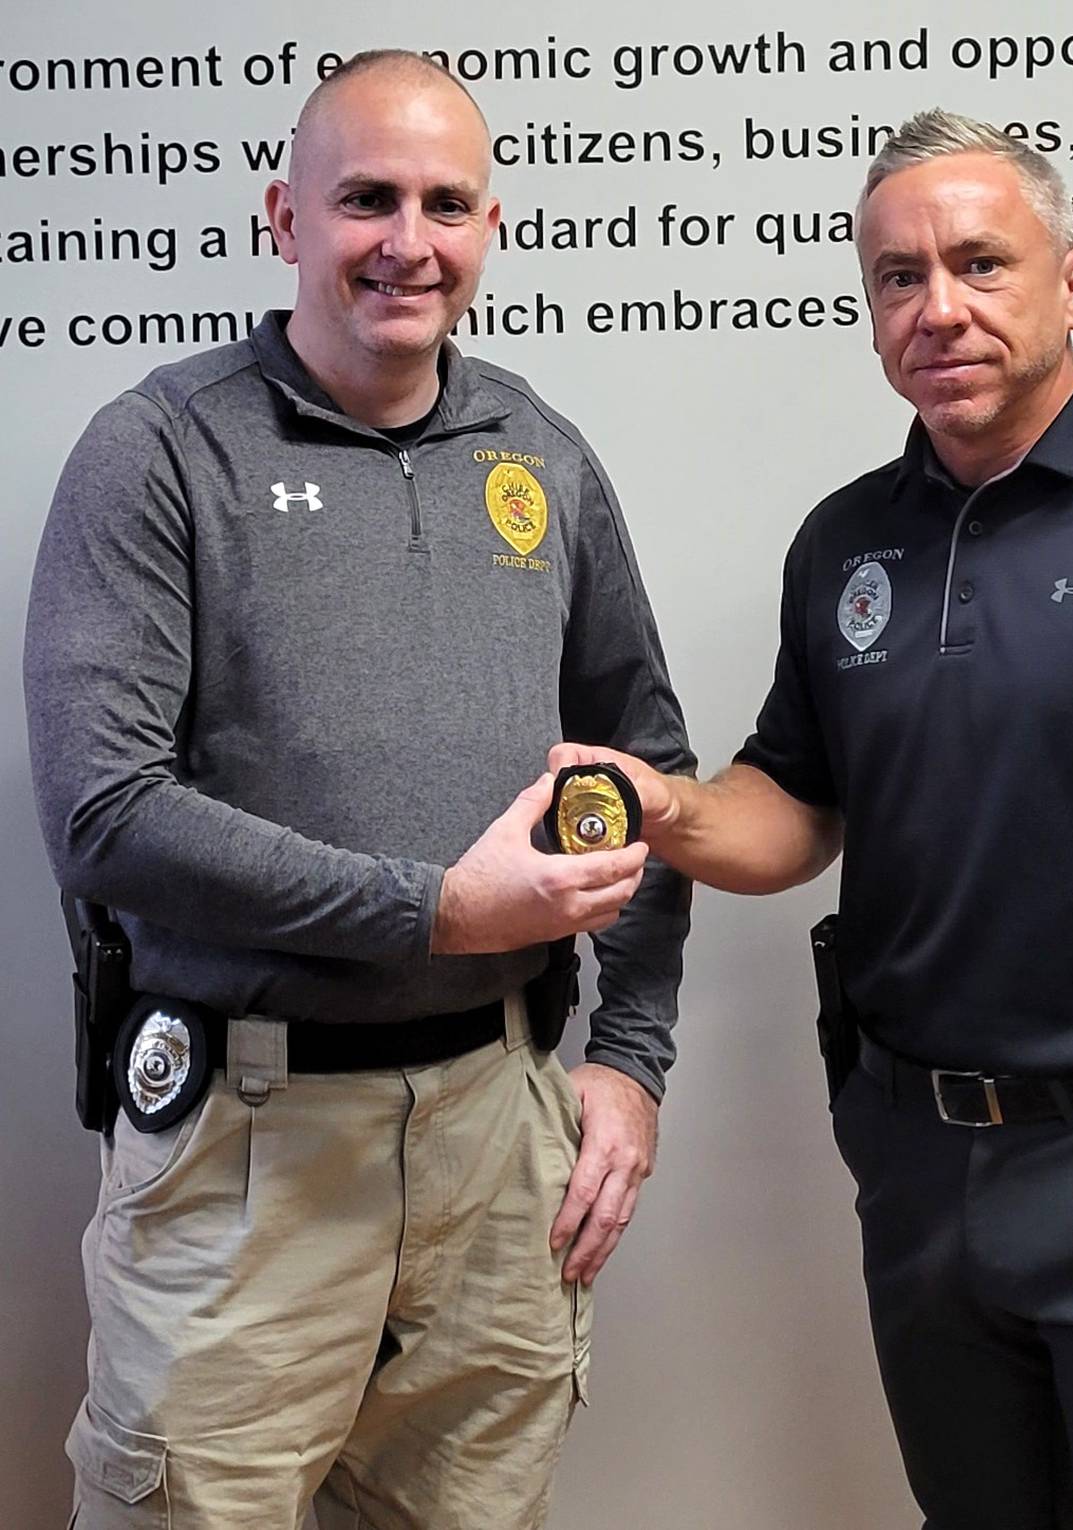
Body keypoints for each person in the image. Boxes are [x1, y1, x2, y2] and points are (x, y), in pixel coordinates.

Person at [551, 111, 1073, 1528]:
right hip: (923, 1158)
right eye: (898, 277)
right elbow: (795, 808)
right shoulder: (847, 541)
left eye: (978, 264)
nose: (936, 307)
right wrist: (668, 811)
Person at [24, 49, 693, 1530]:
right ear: (283, 217)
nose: (409, 240)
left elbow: (648, 775)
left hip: (498, 1138)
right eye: (366, 198)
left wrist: (629, 1057)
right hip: (244, 1146)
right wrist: (435, 910)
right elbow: (104, 810)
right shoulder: (161, 452)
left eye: (446, 202)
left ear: (490, 225)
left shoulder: (540, 455)